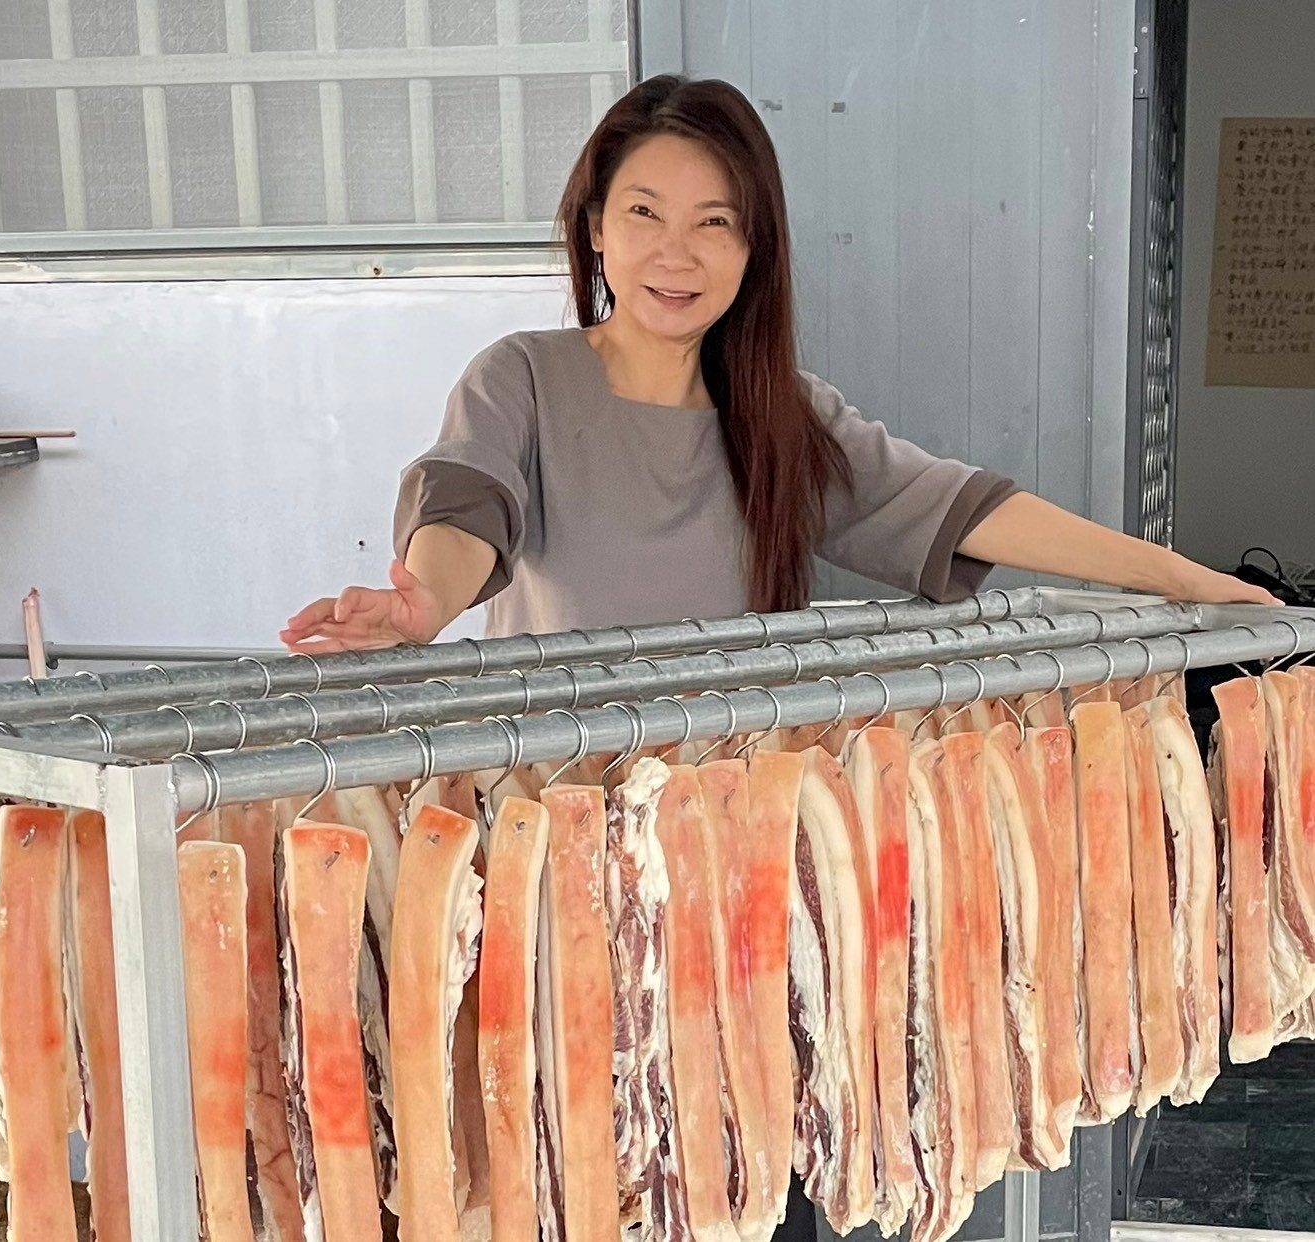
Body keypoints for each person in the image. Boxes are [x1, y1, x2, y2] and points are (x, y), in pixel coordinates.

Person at [280, 72, 1273, 1239]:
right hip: (563, 872)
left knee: (758, 1172)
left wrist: (1179, 576)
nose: (675, 250)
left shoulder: (780, 415)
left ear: (756, 249)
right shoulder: (524, 379)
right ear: (594, 222)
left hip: (749, 872)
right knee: (574, 1178)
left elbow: (965, 509)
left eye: (717, 222)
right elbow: (466, 511)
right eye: (644, 211)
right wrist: (420, 609)